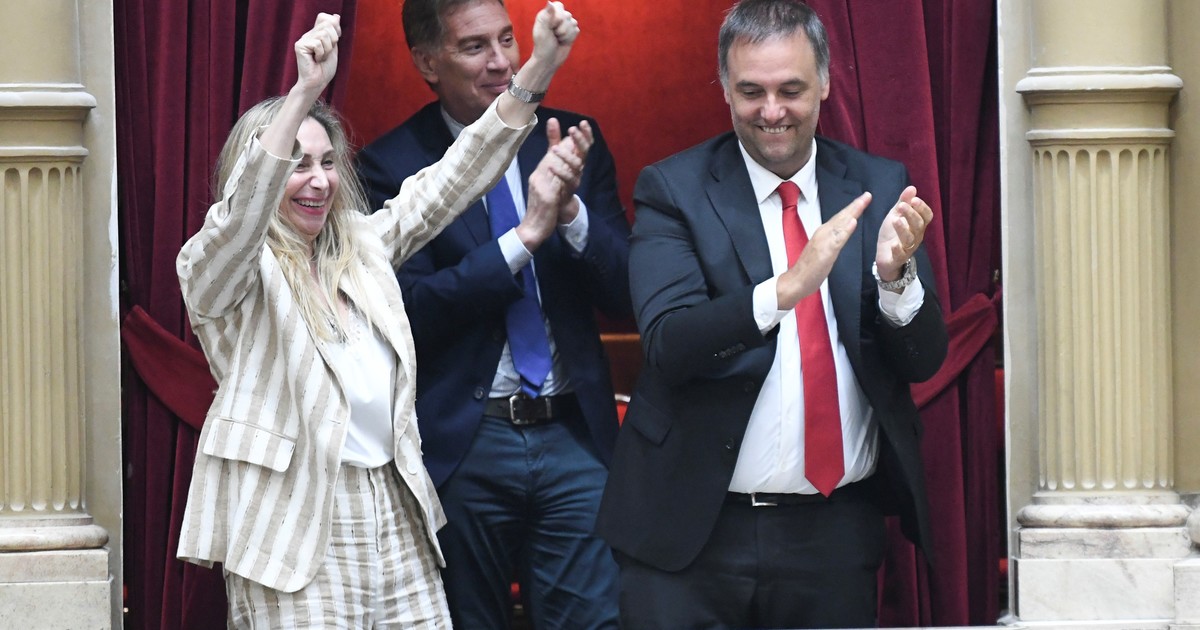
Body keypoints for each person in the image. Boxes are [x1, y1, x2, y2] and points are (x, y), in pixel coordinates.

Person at [175, 5, 588, 627]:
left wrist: (537, 70)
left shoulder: (362, 247)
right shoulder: (226, 271)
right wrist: (305, 93)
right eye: (296, 164)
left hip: (395, 508)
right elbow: (240, 219)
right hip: (298, 521)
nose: (318, 181)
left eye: (326, 163)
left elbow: (454, 177)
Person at [595, 0, 950, 628]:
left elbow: (922, 361)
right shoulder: (674, 189)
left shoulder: (875, 183)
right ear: (725, 88)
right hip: (694, 530)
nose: (772, 111)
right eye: (751, 91)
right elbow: (669, 342)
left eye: (791, 90)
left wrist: (897, 280)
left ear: (826, 83)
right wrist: (785, 289)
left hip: (835, 530)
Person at [356, 0, 630, 627]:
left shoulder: (569, 138)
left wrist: (570, 215)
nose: (502, 62)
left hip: (574, 434)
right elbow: (408, 311)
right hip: (465, 441)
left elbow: (628, 293)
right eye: (474, 46)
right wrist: (522, 240)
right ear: (428, 62)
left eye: (508, 40)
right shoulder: (393, 164)